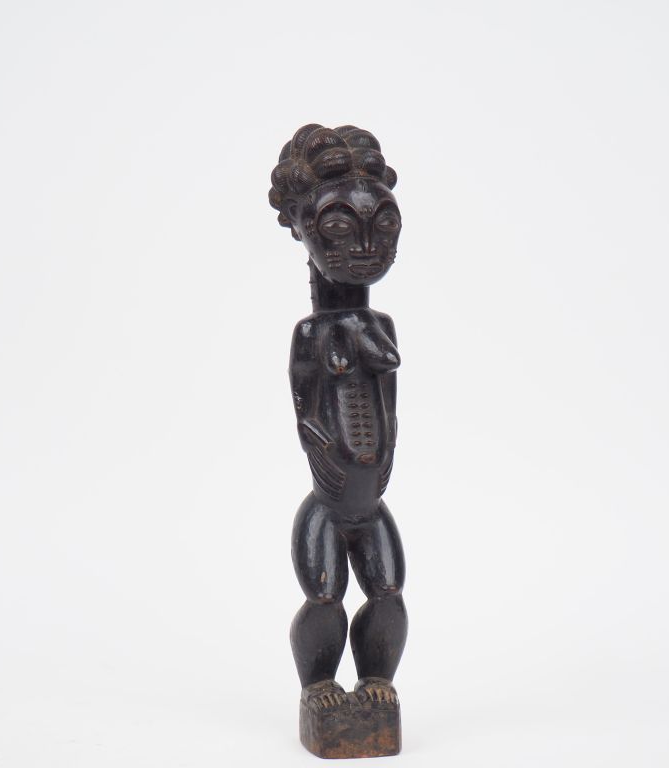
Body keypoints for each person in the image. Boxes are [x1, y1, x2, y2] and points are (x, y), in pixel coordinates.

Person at [269, 124, 408, 712]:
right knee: (325, 596)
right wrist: (322, 448)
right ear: (302, 228)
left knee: (389, 592)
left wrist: (384, 453)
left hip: (371, 503)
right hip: (327, 506)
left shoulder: (381, 326)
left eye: (384, 224)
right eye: (339, 227)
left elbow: (389, 405)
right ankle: (318, 686)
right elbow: (304, 408)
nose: (366, 246)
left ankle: (378, 681)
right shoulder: (310, 334)